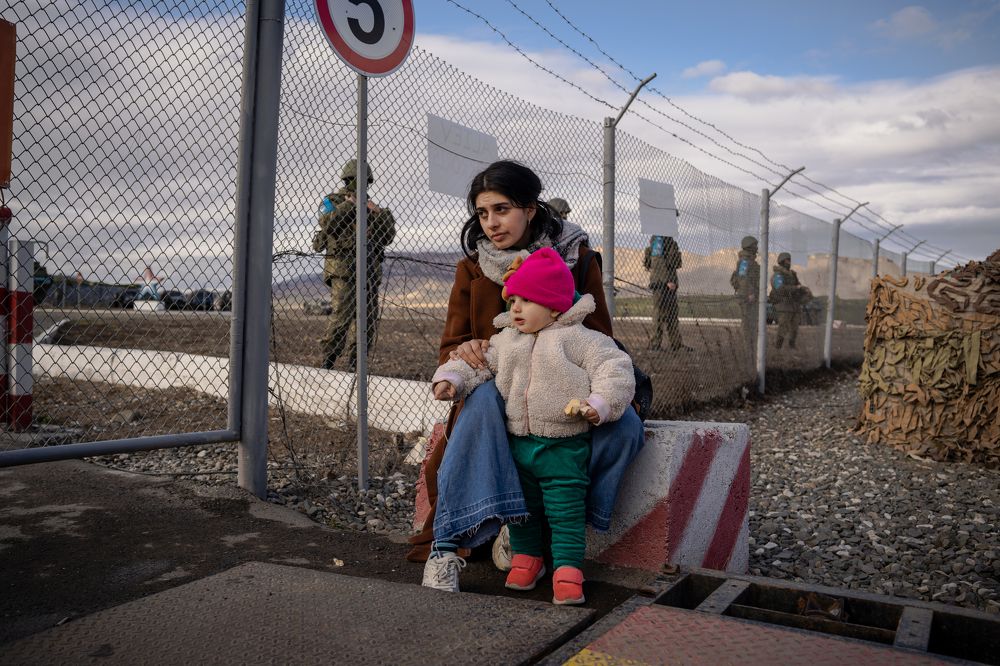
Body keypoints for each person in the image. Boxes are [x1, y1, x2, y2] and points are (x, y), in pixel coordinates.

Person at [410, 160, 644, 594]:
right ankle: (449, 546)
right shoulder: (472, 268)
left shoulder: (577, 259)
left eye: (502, 209)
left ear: (531, 208)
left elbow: (599, 339)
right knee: (481, 403)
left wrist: (599, 396)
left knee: (626, 425)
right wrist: (466, 350)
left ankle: (557, 520)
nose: (491, 223)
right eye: (483, 213)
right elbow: (452, 347)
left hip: (563, 389)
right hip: (499, 377)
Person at [430, 248, 635, 604]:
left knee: (565, 511)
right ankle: (527, 559)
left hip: (564, 446)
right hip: (520, 444)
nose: (516, 308)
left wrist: (600, 403)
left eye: (527, 300)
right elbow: (477, 364)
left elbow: (614, 369)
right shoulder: (507, 341)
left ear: (554, 307)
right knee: (522, 509)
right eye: (513, 301)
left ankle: (568, 570)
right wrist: (451, 379)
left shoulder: (580, 339)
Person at [312, 159, 396, 370]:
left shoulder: (371, 207)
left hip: (369, 271)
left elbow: (388, 236)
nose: (362, 184)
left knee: (367, 321)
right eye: (358, 180)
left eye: (365, 181)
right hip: (343, 268)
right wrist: (351, 205)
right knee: (342, 317)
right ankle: (328, 361)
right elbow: (327, 223)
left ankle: (356, 365)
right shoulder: (332, 201)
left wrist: (377, 212)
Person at [643, 235, 690, 352]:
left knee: (672, 315)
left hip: (668, 284)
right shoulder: (659, 239)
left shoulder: (668, 240)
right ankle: (655, 345)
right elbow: (657, 261)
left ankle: (676, 344)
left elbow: (675, 263)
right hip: (662, 284)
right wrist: (667, 280)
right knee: (659, 314)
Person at [769, 252, 812, 349]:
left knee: (794, 327)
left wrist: (804, 290)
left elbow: (798, 286)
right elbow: (780, 288)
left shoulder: (792, 274)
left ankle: (792, 346)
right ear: (782, 261)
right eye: (787, 260)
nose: (789, 262)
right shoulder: (778, 275)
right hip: (784, 304)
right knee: (783, 326)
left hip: (794, 304)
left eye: (790, 260)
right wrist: (795, 288)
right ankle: (778, 347)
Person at [730, 235, 760, 356]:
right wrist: (750, 293)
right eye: (755, 246)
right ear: (749, 246)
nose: (757, 248)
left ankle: (752, 348)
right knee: (748, 324)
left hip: (750, 296)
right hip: (747, 297)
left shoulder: (749, 260)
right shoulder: (744, 261)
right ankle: (748, 349)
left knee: (752, 323)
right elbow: (743, 279)